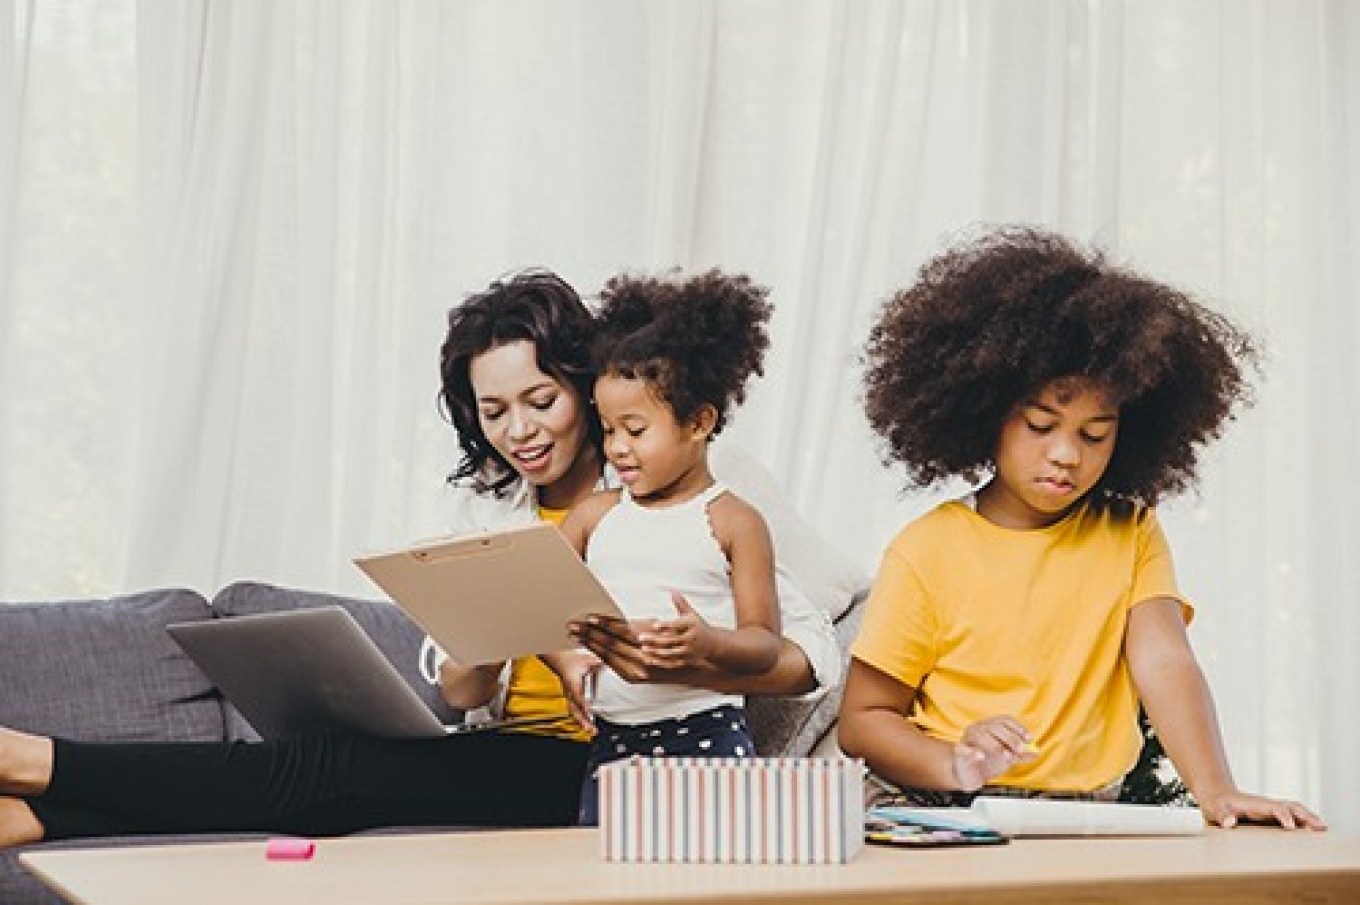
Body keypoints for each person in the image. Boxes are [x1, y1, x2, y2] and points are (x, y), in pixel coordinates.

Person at [0, 270, 846, 848]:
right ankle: (46, 820)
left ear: (589, 389)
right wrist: (497, 628)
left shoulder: (706, 487)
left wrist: (699, 651)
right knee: (337, 776)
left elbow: (810, 651)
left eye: (541, 401)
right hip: (509, 751)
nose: (520, 431)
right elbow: (460, 694)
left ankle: (37, 760)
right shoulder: (489, 510)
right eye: (494, 411)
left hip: (627, 760)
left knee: (335, 772)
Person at [837, 226, 1326, 831]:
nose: (1068, 454)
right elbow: (864, 720)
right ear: (986, 414)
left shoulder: (1131, 531)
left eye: (1096, 433)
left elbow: (1165, 663)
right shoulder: (927, 548)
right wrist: (954, 760)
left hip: (1087, 817)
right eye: (1042, 424)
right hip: (940, 810)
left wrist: (1217, 791)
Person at [545, 269, 782, 824]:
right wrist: (566, 661)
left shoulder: (733, 521)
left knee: (713, 882)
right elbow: (539, 602)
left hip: (708, 740)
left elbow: (765, 645)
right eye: (608, 430)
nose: (618, 449)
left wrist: (709, 644)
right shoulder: (593, 516)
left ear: (699, 423)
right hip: (612, 747)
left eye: (635, 429)